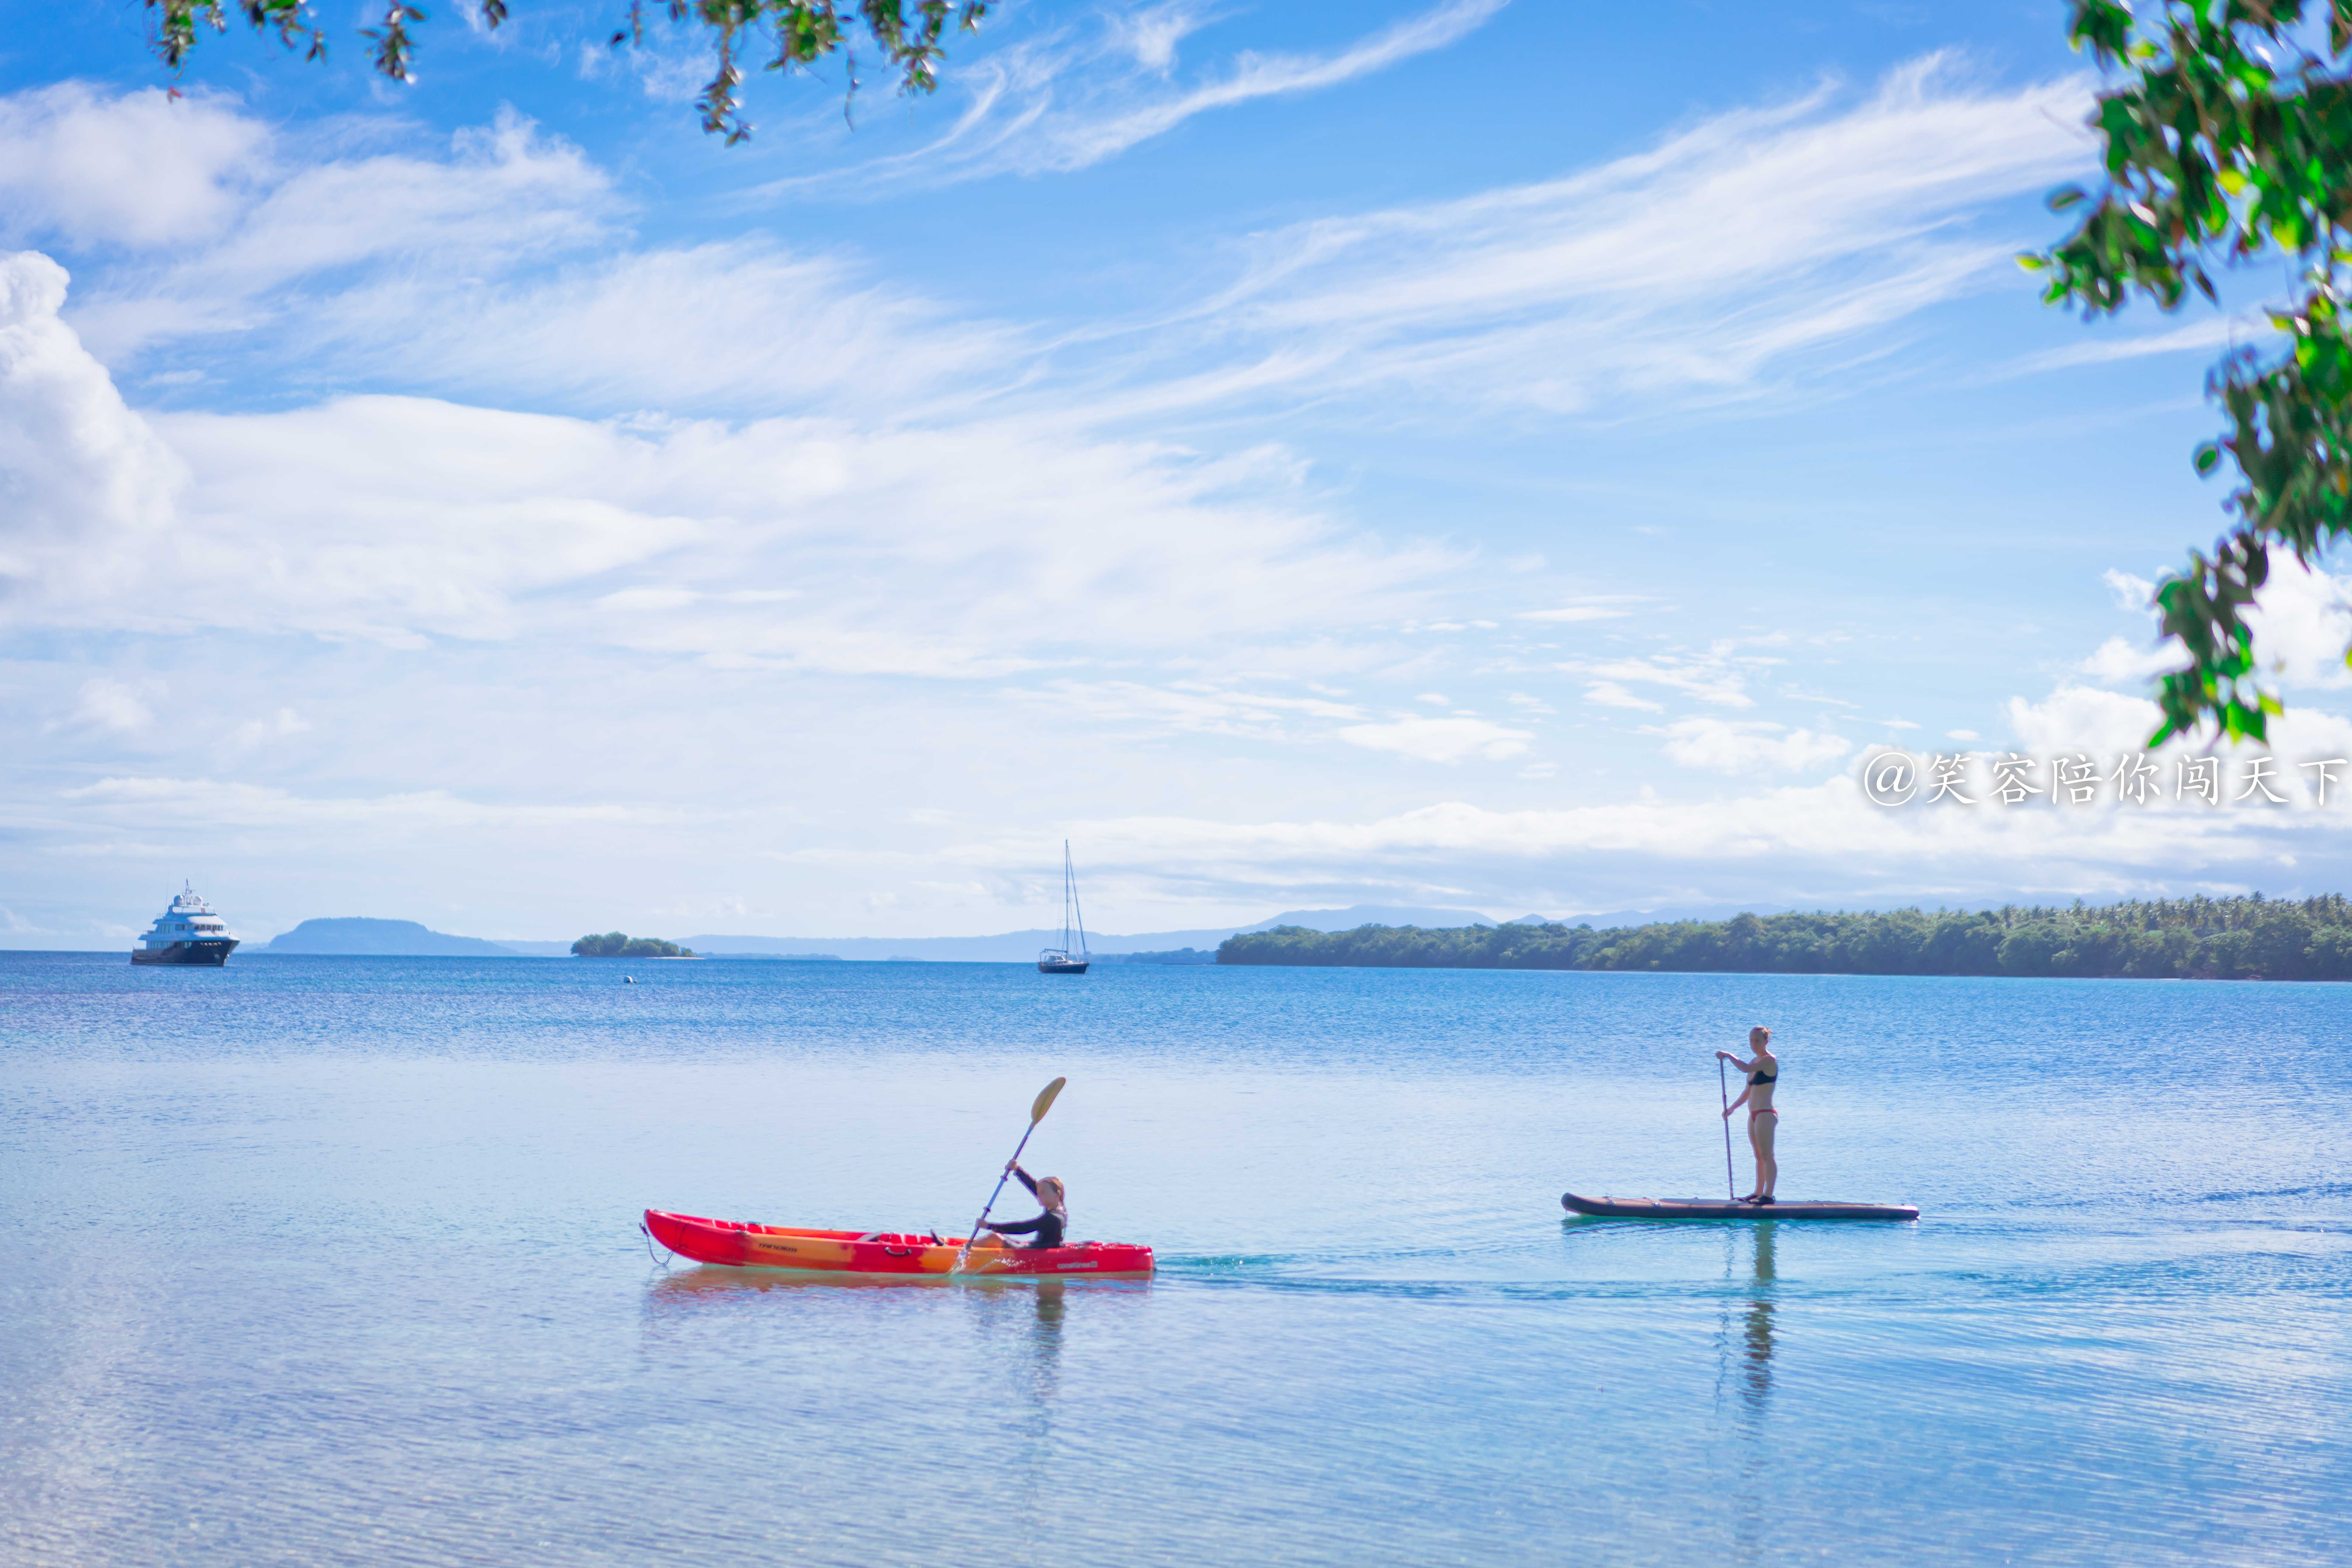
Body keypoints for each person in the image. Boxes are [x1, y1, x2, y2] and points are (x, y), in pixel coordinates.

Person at [1717, 1026, 1779, 1205]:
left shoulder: (1769, 1061)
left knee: (1768, 1155)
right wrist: (1732, 1108)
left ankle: (1768, 1196)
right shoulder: (1755, 1062)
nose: (1754, 1044)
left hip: (1766, 1114)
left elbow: (1744, 1068)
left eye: (1758, 1041)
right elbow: (1748, 1092)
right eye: (1751, 1040)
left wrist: (1729, 1056)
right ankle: (1758, 1192)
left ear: (1766, 1042)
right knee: (1758, 1155)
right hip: (1753, 1115)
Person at [982, 1161, 1068, 1250]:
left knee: (994, 1238)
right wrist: (1017, 1170)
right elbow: (1036, 1187)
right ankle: (970, 1247)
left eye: (1043, 1193)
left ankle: (967, 1251)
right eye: (1039, 1193)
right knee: (997, 1237)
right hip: (1041, 1246)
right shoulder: (1060, 1207)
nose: (1039, 1196)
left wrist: (989, 1226)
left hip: (1037, 1252)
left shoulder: (1052, 1217)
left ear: (1057, 1195)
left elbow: (1022, 1228)